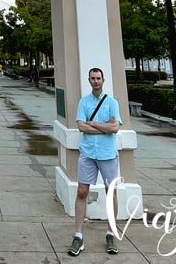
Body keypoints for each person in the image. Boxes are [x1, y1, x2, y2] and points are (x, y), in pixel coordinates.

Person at [68, 67, 122, 257]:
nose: (96, 81)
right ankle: (78, 235)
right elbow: (81, 126)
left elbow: (115, 128)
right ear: (89, 80)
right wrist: (104, 127)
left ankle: (110, 233)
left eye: (98, 78)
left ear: (103, 80)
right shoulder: (84, 102)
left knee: (111, 192)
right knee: (82, 191)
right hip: (88, 153)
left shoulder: (112, 102)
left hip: (107, 154)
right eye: (93, 78)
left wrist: (93, 124)